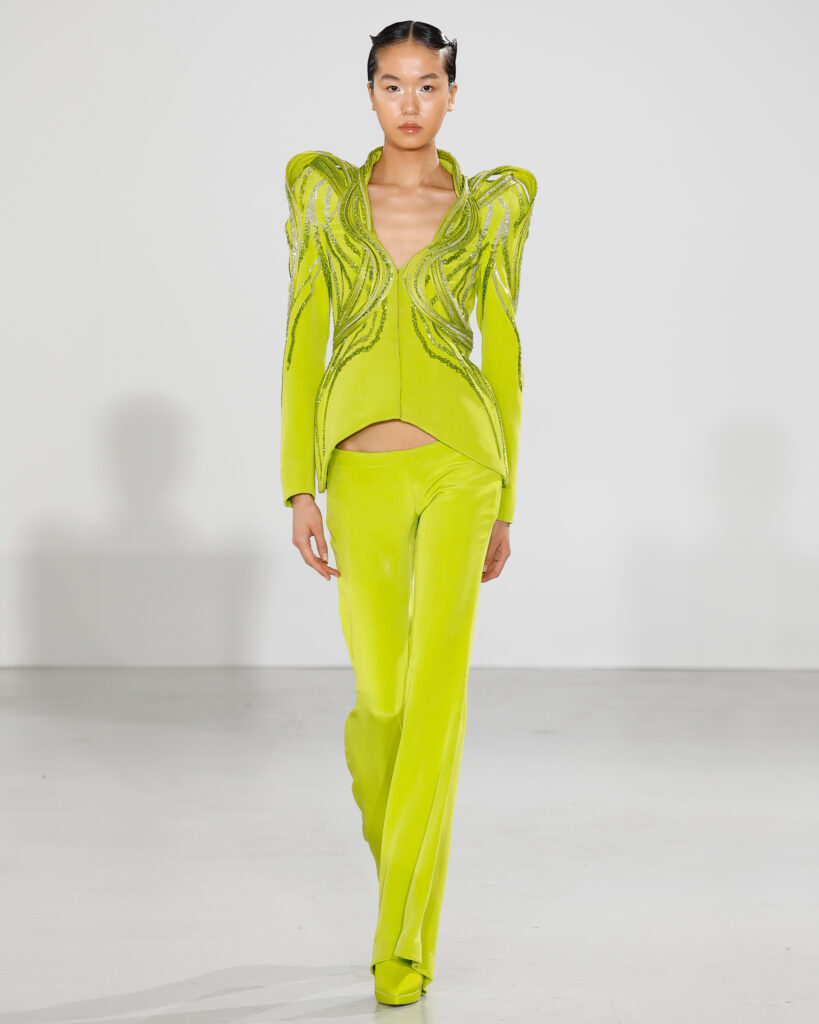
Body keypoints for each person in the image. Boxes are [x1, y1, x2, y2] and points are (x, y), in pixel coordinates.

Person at [280, 19, 538, 1006]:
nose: (410, 103)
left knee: (435, 698)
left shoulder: (487, 207)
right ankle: (403, 865)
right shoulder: (325, 198)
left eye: (428, 85)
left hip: (461, 468)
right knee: (383, 699)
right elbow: (302, 340)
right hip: (357, 474)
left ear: (451, 95)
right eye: (393, 85)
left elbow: (503, 353)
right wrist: (298, 483)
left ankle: (401, 941)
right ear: (371, 94)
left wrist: (506, 496)